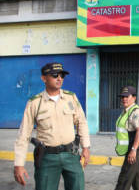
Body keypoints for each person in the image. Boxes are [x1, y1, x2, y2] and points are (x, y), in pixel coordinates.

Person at [14, 62, 91, 190]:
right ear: (44, 78)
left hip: (71, 155)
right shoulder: (35, 103)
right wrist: (19, 164)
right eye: (55, 75)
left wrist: (86, 147)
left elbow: (81, 122)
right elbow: (23, 135)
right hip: (47, 158)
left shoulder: (70, 98)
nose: (59, 78)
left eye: (62, 75)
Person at [115, 86, 139, 190]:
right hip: (133, 148)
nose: (124, 99)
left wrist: (133, 150)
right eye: (122, 97)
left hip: (137, 149)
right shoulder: (126, 111)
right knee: (138, 180)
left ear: (134, 98)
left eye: (127, 96)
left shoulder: (135, 112)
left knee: (124, 178)